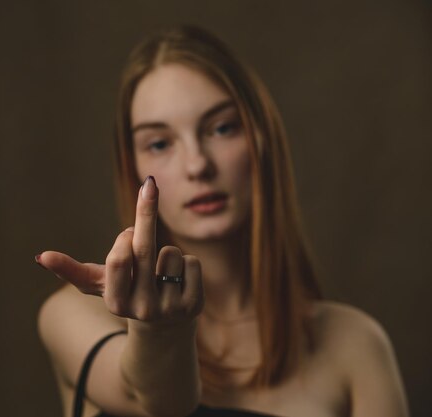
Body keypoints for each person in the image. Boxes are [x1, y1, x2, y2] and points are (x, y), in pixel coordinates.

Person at [35, 25, 409, 417]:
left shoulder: (354, 345)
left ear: (262, 139)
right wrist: (161, 331)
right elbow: (153, 400)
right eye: (159, 143)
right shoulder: (75, 315)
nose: (198, 165)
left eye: (222, 128)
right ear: (132, 165)